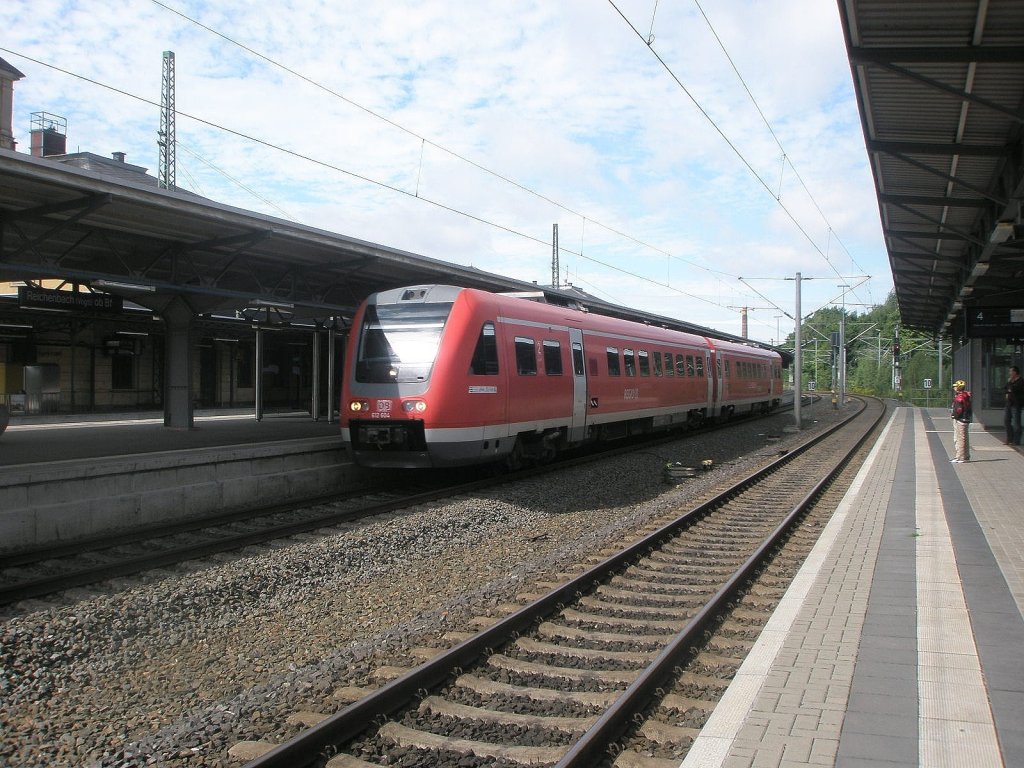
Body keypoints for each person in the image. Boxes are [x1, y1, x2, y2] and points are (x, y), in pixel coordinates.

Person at [950, 379, 972, 463]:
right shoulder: (966, 395)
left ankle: (961, 457)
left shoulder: (959, 397)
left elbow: (958, 410)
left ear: (958, 387)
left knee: (960, 439)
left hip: (960, 419)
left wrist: (954, 416)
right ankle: (964, 456)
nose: (954, 387)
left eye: (956, 386)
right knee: (964, 438)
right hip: (965, 419)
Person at [1004, 365, 1023, 446]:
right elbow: (1005, 388)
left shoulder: (1021, 381)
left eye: (1011, 371)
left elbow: (1013, 389)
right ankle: (1009, 439)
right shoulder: (1010, 381)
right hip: (1009, 403)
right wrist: (1009, 384)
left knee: (1016, 423)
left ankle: (1016, 440)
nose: (1010, 373)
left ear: (1015, 372)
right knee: (1006, 421)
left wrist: (1010, 386)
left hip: (1016, 404)